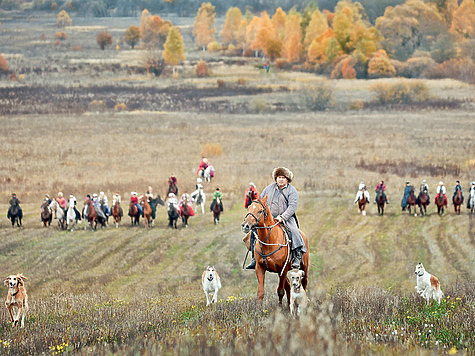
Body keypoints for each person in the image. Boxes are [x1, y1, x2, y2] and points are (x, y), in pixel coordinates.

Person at [246, 167, 306, 270]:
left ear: (287, 179)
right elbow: (261, 202)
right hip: (268, 219)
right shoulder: (268, 189)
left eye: (283, 177)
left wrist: (282, 217)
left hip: (286, 219)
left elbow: (292, 207)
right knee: (254, 231)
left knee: (294, 232)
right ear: (276, 178)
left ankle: (296, 256)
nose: (281, 179)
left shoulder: (292, 191)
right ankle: (254, 259)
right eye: (279, 177)